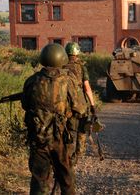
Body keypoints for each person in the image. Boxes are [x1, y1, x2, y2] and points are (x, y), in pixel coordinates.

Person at [21, 43, 87, 194]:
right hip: (59, 139)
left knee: (39, 179)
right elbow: (81, 108)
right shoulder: (68, 81)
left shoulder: (31, 81)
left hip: (38, 138)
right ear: (61, 59)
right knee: (66, 178)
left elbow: (25, 105)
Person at [64, 42, 96, 163]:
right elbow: (87, 87)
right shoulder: (81, 67)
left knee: (69, 130)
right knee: (82, 129)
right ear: (77, 53)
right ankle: (77, 155)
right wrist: (92, 105)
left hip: (65, 104)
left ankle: (68, 156)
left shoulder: (61, 66)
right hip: (80, 104)